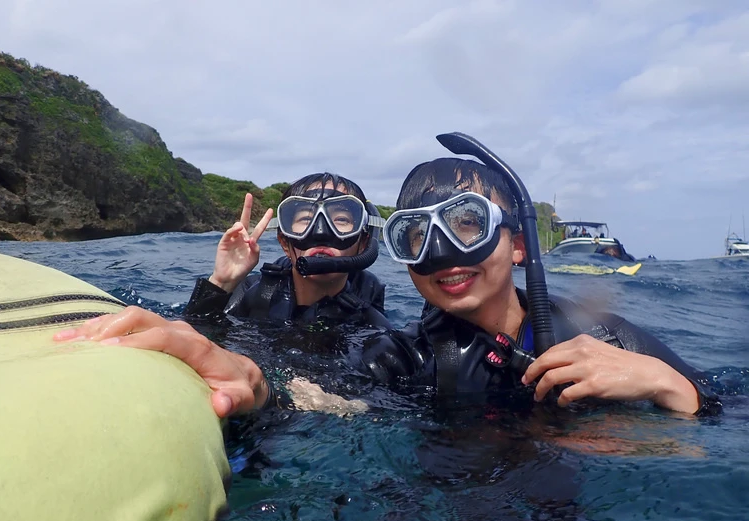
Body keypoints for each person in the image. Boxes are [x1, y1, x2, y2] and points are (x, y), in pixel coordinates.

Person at [56, 134, 721, 417]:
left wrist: (674, 390)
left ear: (517, 244)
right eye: (416, 234)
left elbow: (721, 413)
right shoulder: (400, 350)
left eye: (464, 225)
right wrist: (253, 381)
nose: (441, 254)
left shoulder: (601, 332)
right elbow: (327, 400)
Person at [183, 172, 389, 328]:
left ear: (363, 243)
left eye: (341, 219)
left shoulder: (371, 326)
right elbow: (194, 340)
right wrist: (221, 283)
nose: (321, 232)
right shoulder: (254, 297)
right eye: (306, 219)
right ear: (284, 242)